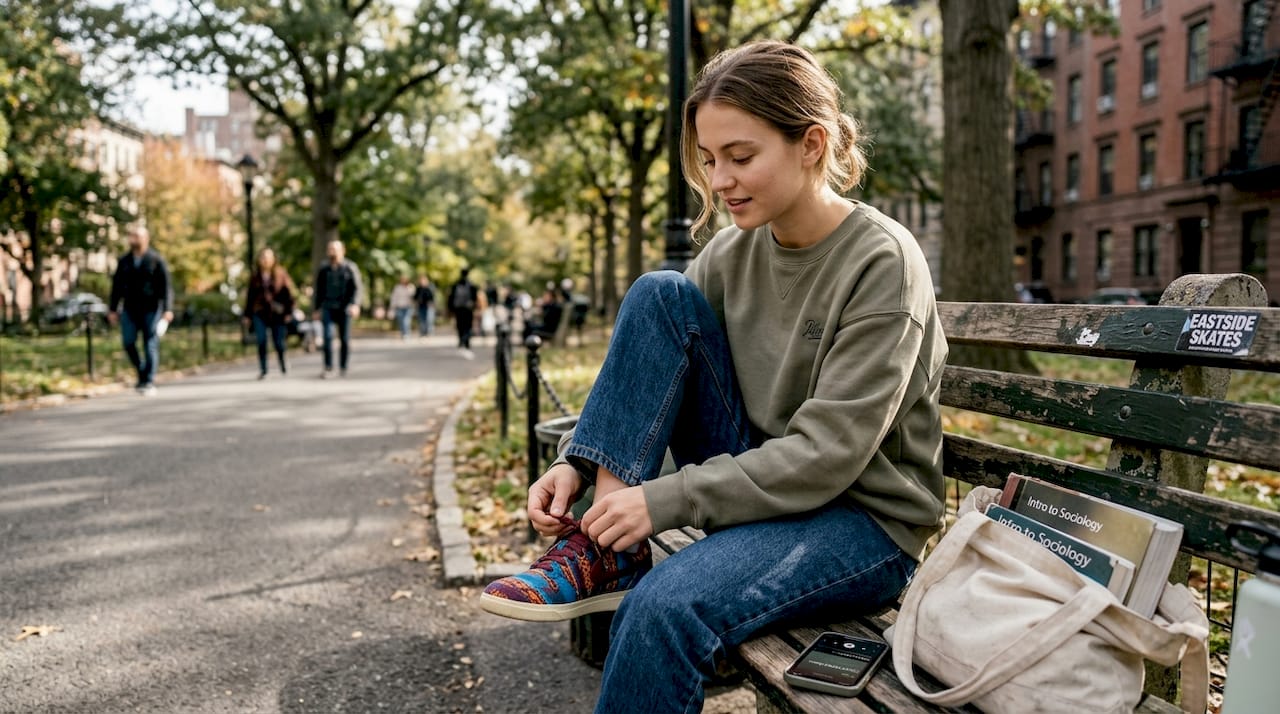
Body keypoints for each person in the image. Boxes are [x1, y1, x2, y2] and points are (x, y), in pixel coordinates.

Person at [479, 41, 948, 713]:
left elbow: (827, 457)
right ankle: (605, 549)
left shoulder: (881, 263)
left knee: (663, 607)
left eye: (741, 156)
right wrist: (580, 467)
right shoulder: (733, 250)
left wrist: (661, 502)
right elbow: (656, 361)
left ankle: (618, 552)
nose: (719, 180)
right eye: (708, 160)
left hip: (862, 523)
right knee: (657, 294)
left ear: (811, 144)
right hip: (763, 480)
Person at [107, 226, 174, 396]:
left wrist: (167, 309)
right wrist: (113, 309)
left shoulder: (156, 259)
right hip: (130, 308)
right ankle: (142, 371)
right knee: (128, 342)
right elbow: (116, 287)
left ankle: (148, 381)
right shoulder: (124, 261)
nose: (133, 239)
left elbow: (166, 286)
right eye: (131, 236)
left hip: (151, 308)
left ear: (146, 238)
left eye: (137, 236)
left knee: (150, 343)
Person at [312, 240, 363, 378]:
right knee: (327, 337)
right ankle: (328, 367)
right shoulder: (323, 269)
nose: (332, 251)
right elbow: (319, 291)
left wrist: (355, 305)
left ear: (343, 250)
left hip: (345, 308)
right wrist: (316, 309)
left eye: (335, 249)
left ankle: (343, 366)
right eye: (330, 249)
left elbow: (357, 288)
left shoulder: (350, 267)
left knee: (344, 339)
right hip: (328, 307)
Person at [243, 248, 296, 379]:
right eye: (263, 257)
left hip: (277, 314)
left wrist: (289, 312)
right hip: (259, 313)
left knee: (279, 342)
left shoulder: (281, 274)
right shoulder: (255, 277)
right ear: (259, 260)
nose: (265, 260)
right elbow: (250, 297)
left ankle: (283, 363)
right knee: (261, 340)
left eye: (268, 257)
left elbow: (288, 295)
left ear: (273, 259)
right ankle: (263, 369)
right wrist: (247, 315)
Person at [447, 267, 479, 356]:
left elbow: (451, 297)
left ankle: (462, 340)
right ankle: (466, 341)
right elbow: (475, 298)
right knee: (467, 326)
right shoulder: (471, 285)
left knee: (460, 325)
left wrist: (450, 309)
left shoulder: (456, 284)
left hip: (459, 309)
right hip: (467, 309)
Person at [388, 275, 415, 340]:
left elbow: (413, 296)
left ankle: (406, 334)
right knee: (401, 321)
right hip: (399, 306)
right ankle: (403, 333)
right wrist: (392, 307)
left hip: (408, 307)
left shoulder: (411, 287)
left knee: (406, 321)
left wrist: (408, 288)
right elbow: (394, 298)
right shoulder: (397, 287)